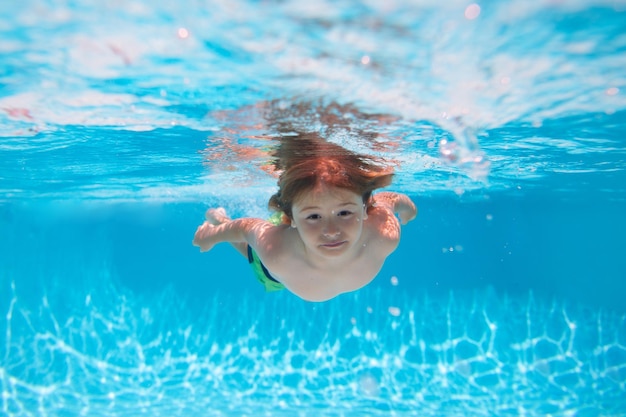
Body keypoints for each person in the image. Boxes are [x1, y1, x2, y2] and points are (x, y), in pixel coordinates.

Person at [192, 133, 417, 302]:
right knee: (251, 252)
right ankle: (218, 219)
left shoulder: (383, 233)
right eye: (314, 217)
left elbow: (389, 199)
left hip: (298, 234)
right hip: (279, 265)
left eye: (344, 213)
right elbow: (245, 228)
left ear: (365, 207)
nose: (331, 230)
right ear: (288, 217)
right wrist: (212, 236)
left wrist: (408, 209)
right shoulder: (278, 251)